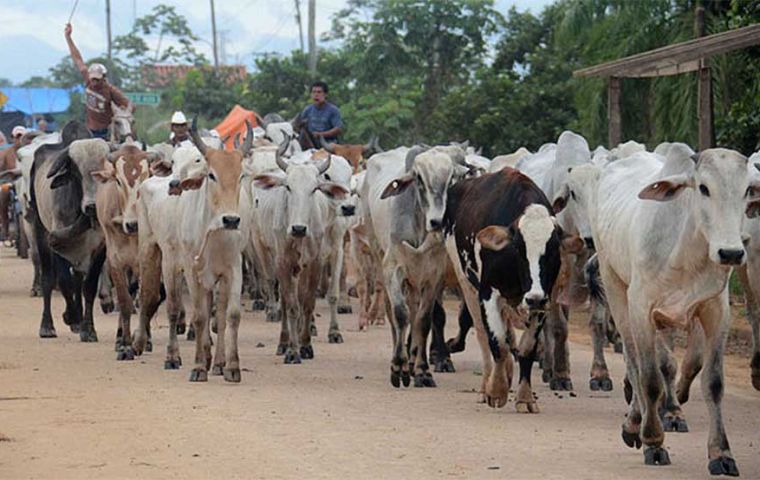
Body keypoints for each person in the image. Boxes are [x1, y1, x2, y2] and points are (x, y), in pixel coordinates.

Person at [64, 23, 133, 140]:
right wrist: (68, 37)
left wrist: (118, 115)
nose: (94, 82)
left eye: (97, 79)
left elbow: (130, 106)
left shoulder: (111, 91)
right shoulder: (88, 82)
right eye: (93, 79)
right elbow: (78, 59)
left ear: (103, 78)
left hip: (106, 132)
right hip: (89, 131)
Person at [0, 126, 27, 241]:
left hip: (26, 182)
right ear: (12, 138)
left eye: (21, 137)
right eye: (17, 137)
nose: (19, 140)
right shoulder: (6, 153)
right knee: (3, 194)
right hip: (10, 182)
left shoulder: (30, 152)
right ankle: (5, 229)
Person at [297, 81, 343, 148]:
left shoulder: (333, 110)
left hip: (329, 143)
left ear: (325, 94)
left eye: (319, 92)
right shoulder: (307, 110)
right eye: (314, 92)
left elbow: (338, 129)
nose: (316, 95)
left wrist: (321, 135)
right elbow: (299, 126)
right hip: (310, 143)